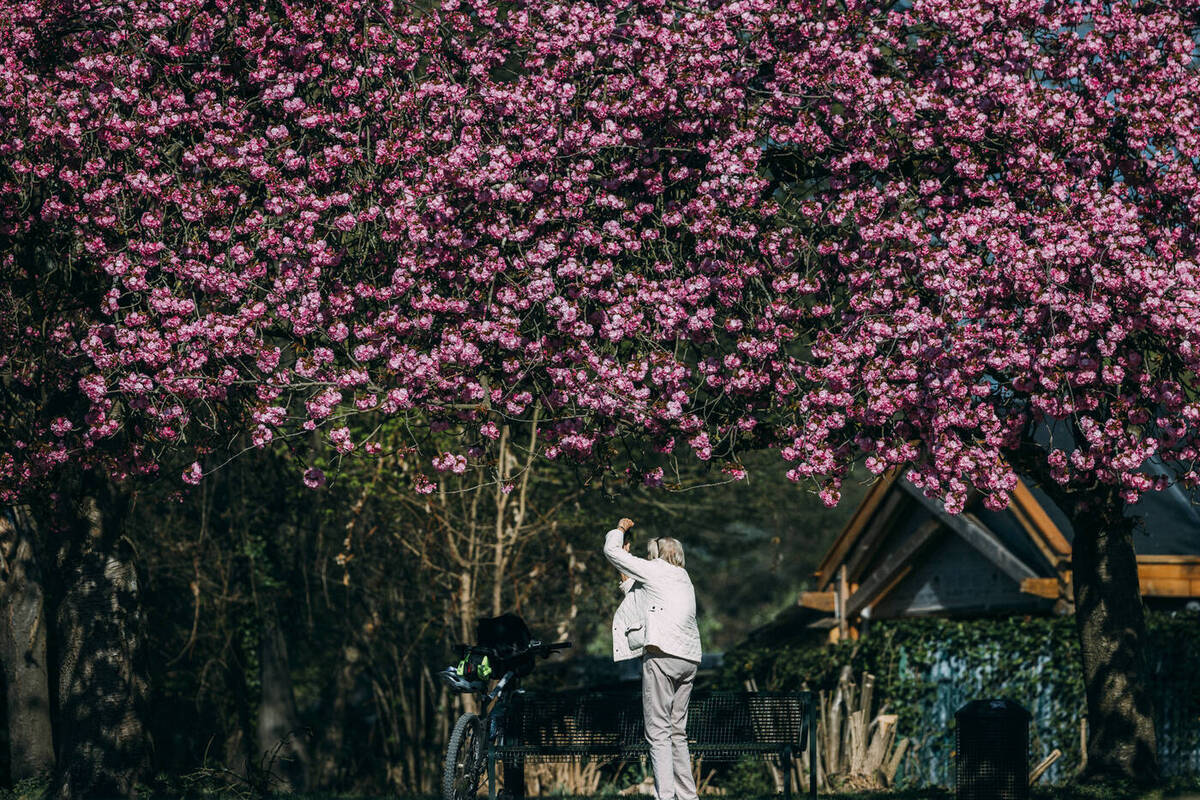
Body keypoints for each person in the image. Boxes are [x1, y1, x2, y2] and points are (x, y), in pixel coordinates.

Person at [604, 517, 702, 800]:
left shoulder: (656, 570)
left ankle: (665, 796)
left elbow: (611, 551)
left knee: (658, 732)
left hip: (662, 656)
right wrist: (626, 574)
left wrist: (620, 530)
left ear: (658, 555)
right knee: (677, 732)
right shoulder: (683, 578)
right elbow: (641, 598)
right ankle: (688, 796)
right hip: (688, 659)